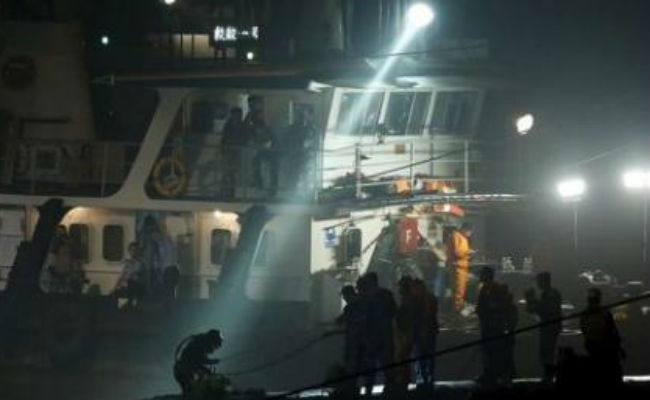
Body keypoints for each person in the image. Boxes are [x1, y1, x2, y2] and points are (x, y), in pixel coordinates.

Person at [359, 272, 397, 393]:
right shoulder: (386, 294)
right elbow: (394, 311)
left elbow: (363, 317)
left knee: (371, 367)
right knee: (387, 366)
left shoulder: (365, 297)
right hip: (385, 336)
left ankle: (370, 390)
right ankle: (390, 390)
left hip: (372, 337)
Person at [579, 287, 624, 387]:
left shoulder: (600, 312)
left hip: (600, 343)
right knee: (599, 365)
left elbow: (611, 328)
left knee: (600, 365)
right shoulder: (588, 313)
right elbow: (584, 328)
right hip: (595, 343)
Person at [525, 272, 563, 382]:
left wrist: (531, 299)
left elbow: (541, 309)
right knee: (547, 351)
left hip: (549, 327)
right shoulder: (552, 293)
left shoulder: (549, 294)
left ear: (543, 281)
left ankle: (549, 375)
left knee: (547, 351)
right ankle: (548, 375)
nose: (537, 284)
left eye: (538, 281)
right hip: (550, 326)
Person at [475, 266, 509, 386]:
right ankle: (489, 373)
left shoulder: (493, 289)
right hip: (487, 325)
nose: (479, 276)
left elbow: (496, 307)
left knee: (493, 351)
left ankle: (494, 374)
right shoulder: (485, 288)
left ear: (487, 275)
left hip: (493, 326)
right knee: (487, 351)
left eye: (481, 274)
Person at [173, 329, 223, 394]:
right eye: (215, 345)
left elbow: (199, 362)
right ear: (211, 341)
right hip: (184, 372)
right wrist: (212, 362)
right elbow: (200, 361)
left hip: (181, 370)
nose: (215, 348)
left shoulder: (198, 344)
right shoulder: (198, 346)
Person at [245, 96, 278, 194]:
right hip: (260, 148)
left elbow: (270, 133)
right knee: (256, 163)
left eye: (255, 103)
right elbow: (247, 127)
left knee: (271, 167)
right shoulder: (251, 117)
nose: (254, 105)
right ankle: (259, 183)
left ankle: (272, 187)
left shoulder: (264, 118)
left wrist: (269, 143)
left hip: (270, 149)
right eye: (252, 104)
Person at [335, 284, 365, 392]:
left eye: (344, 296)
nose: (344, 299)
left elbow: (340, 321)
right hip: (361, 342)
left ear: (349, 294)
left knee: (352, 368)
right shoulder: (361, 304)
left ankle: (351, 390)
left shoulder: (351, 307)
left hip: (355, 343)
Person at [411, 278, 438, 386]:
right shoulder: (428, 297)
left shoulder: (425, 299)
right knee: (425, 355)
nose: (413, 290)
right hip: (426, 330)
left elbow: (428, 314)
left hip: (425, 330)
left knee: (422, 354)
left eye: (414, 288)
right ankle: (426, 376)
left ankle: (424, 377)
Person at [446, 222, 473, 313]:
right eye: (470, 232)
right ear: (465, 229)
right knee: (458, 291)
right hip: (457, 268)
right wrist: (468, 252)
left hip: (462, 267)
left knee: (461, 291)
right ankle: (457, 312)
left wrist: (468, 254)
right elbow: (457, 252)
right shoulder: (456, 236)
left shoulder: (463, 238)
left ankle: (459, 309)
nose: (470, 234)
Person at [221, 107, 246, 198]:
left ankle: (231, 191)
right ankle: (225, 190)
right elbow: (224, 137)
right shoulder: (228, 125)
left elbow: (243, 138)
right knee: (227, 172)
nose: (235, 117)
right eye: (234, 115)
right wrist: (223, 148)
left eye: (237, 115)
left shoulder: (242, 126)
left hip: (237, 152)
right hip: (228, 151)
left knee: (233, 172)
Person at [114, 242, 144, 308]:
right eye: (132, 250)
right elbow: (122, 275)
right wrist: (116, 287)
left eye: (136, 250)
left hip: (137, 286)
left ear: (139, 251)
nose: (133, 252)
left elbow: (140, 275)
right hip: (128, 285)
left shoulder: (142, 263)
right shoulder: (127, 262)